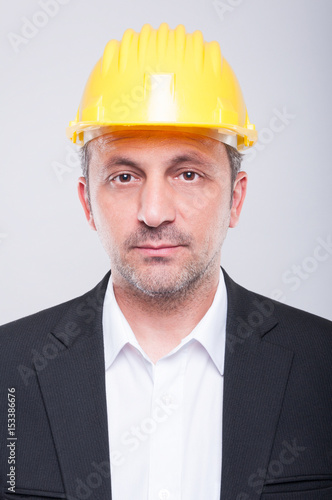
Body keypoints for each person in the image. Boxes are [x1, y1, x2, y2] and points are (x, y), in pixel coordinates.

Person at [0, 23, 331, 500]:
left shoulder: (323, 367)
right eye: (124, 176)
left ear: (236, 199)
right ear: (86, 202)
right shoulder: (9, 370)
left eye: (189, 173)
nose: (154, 212)